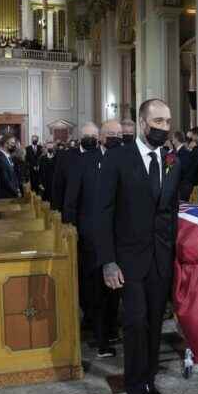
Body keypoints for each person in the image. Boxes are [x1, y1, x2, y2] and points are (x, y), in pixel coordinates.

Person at [96, 99, 181, 394]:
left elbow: (170, 211)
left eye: (168, 121)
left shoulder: (172, 159)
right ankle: (133, 391)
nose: (164, 127)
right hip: (128, 259)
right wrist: (108, 260)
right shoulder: (118, 158)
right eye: (158, 121)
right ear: (143, 123)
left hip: (161, 259)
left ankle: (148, 381)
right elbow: (102, 212)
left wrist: (173, 254)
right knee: (134, 324)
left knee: (155, 324)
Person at [64, 120, 123, 359]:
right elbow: (71, 200)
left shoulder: (127, 159)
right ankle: (101, 339)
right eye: (111, 134)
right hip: (91, 235)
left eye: (120, 134)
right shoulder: (85, 161)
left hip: (119, 235)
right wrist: (73, 232)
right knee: (96, 290)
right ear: (101, 137)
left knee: (116, 287)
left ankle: (111, 328)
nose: (116, 138)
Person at [52, 122, 97, 210]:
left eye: (94, 136)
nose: (90, 138)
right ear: (80, 138)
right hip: (72, 211)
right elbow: (58, 185)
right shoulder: (65, 157)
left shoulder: (104, 157)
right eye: (87, 135)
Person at [0, 134, 21, 199]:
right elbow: (4, 179)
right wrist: (15, 191)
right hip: (5, 194)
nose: (14, 145)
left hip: (11, 192)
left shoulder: (7, 156)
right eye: (12, 143)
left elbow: (13, 175)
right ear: (5, 144)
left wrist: (17, 188)